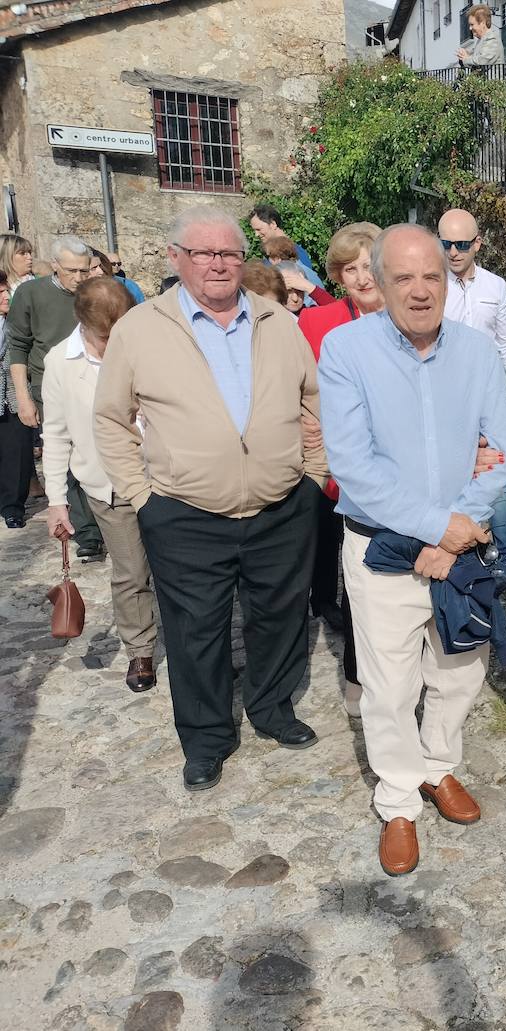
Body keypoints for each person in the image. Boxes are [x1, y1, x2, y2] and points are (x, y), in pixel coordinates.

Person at [93, 205, 329, 792]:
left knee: (279, 616)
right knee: (196, 629)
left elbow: (312, 401)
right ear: (177, 259)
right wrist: (143, 497)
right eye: (203, 252)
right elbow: (110, 420)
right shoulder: (140, 329)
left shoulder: (276, 320)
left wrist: (312, 476)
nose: (218, 263)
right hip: (184, 513)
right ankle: (205, 738)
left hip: (281, 505)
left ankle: (272, 708)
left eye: (228, 252)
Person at [318, 224, 506, 876]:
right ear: (376, 279)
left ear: (448, 278)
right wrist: (438, 527)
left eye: (432, 274)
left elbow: (502, 449)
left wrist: (456, 529)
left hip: (459, 543)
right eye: (403, 277)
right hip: (384, 549)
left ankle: (438, 764)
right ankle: (400, 800)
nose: (420, 289)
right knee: (389, 684)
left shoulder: (477, 352)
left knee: (462, 667)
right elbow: (354, 463)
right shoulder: (346, 350)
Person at [41, 278, 159, 692]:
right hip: (108, 488)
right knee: (131, 572)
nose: (115, 343)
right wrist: (57, 501)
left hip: (165, 478)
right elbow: (55, 435)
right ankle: (140, 651)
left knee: (183, 572)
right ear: (83, 324)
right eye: (106, 336)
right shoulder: (61, 362)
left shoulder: (149, 345)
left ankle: (193, 649)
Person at [298, 221, 385, 719]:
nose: (361, 276)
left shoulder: (407, 313)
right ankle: (356, 675)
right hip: (338, 472)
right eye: (349, 269)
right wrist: (309, 426)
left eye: (369, 264)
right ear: (337, 276)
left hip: (398, 470)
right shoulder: (319, 323)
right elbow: (303, 392)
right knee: (355, 580)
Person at [436, 209, 506, 595]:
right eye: (446, 244)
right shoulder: (431, 285)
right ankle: (471, 555)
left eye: (462, 244)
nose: (454, 252)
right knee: (454, 475)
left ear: (477, 243)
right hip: (444, 396)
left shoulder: (495, 287)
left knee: (496, 474)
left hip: (488, 394)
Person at [7, 235, 104, 558]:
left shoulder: (94, 292)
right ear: (55, 266)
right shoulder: (30, 293)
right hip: (50, 385)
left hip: (94, 380)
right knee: (63, 453)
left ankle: (106, 518)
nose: (78, 278)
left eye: (84, 270)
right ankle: (87, 532)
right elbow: (18, 346)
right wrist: (23, 396)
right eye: (71, 271)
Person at [0, 271, 36, 528]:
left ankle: (13, 507)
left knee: (18, 453)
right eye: (0, 293)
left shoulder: (16, 322)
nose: (6, 296)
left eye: (6, 291)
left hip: (14, 394)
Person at [248, 203, 317, 273]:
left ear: (273, 224)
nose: (256, 235)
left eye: (259, 229)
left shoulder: (296, 254)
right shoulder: (269, 254)